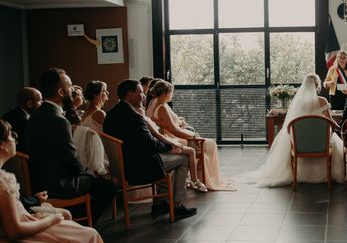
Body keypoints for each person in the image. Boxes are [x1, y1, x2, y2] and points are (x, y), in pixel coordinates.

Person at [0, 119, 113, 243]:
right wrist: (50, 221)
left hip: (18, 234)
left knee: (66, 218)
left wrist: (39, 211)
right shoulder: (1, 184)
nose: (14, 138)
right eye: (10, 134)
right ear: (2, 144)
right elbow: (14, 231)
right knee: (88, 235)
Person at [26, 68, 116, 224]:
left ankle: (71, 219)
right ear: (61, 92)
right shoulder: (57, 119)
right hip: (58, 184)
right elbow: (69, 158)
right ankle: (82, 225)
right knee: (107, 187)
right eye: (69, 86)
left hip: (37, 180)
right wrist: (87, 173)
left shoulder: (35, 115)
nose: (72, 89)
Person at [103, 79, 197, 219]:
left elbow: (141, 143)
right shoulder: (134, 117)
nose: (144, 96)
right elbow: (149, 144)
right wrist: (169, 146)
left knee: (171, 157)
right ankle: (176, 206)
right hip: (138, 166)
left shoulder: (111, 114)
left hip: (120, 166)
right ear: (130, 94)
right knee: (182, 159)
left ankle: (160, 204)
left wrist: (166, 147)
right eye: (140, 93)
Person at [245, 73, 345, 187]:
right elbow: (330, 120)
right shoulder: (322, 101)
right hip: (320, 140)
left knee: (290, 142)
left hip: (301, 141)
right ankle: (329, 174)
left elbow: (291, 125)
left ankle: (298, 172)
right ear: (317, 86)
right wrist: (339, 127)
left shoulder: (298, 103)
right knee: (336, 142)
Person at [147, 80, 233, 191]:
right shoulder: (162, 108)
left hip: (177, 136)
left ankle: (204, 178)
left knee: (209, 143)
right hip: (175, 139)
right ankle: (205, 179)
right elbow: (173, 130)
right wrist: (192, 136)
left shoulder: (162, 105)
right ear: (164, 93)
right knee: (211, 144)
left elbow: (171, 125)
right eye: (171, 92)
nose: (172, 95)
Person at [1, 87, 42, 153]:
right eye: (40, 101)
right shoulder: (23, 122)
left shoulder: (11, 114)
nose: (42, 104)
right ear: (29, 104)